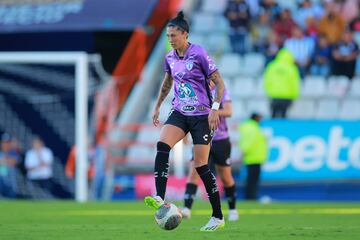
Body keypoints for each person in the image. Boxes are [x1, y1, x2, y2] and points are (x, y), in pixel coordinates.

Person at [144, 11, 226, 232]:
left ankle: (217, 216)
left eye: (173, 35)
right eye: (168, 36)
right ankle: (160, 197)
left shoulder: (198, 53)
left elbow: (219, 83)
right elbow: (167, 83)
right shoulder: (169, 57)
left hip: (201, 116)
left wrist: (215, 109)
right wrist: (158, 106)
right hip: (180, 111)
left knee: (201, 166)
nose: (170, 39)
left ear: (185, 34)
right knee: (162, 145)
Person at [181, 84, 238, 222]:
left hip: (220, 140)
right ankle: (187, 209)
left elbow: (229, 112)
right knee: (194, 173)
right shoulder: (196, 90)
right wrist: (185, 133)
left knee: (225, 177)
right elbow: (188, 113)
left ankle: (232, 209)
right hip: (201, 138)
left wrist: (210, 111)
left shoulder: (221, 91)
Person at [264, 48, 300, 118]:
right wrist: (294, 95)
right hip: (287, 96)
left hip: (274, 95)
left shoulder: (272, 66)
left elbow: (267, 80)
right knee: (284, 116)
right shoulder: (292, 68)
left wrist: (268, 91)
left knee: (273, 115)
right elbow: (295, 83)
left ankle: (274, 128)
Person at [238, 113, 268, 200]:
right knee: (252, 180)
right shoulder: (252, 128)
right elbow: (249, 141)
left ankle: (251, 196)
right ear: (256, 118)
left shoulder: (251, 127)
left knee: (252, 180)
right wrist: (244, 152)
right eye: (260, 118)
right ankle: (251, 197)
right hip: (253, 158)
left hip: (253, 158)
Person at [0, 133, 19, 198]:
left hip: (11, 183)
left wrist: (3, 161)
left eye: (8, 143)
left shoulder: (14, 153)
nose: (6, 145)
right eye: (4, 143)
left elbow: (13, 162)